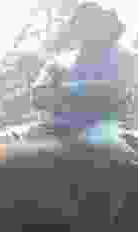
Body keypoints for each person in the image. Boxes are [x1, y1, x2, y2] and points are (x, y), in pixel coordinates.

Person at [27, 2, 138, 151]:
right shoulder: (59, 61)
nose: (87, 29)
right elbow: (38, 95)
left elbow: (116, 93)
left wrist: (63, 92)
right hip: (58, 132)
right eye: (81, 23)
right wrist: (87, 92)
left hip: (112, 133)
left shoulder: (127, 57)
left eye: (93, 22)